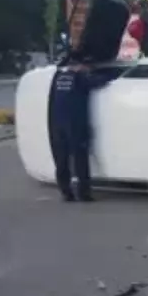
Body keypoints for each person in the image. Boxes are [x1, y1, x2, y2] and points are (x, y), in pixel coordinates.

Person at [48, 49, 115, 202]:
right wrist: (112, 74)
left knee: (62, 159)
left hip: (58, 123)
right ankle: (83, 193)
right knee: (80, 159)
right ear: (81, 65)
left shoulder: (58, 77)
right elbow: (99, 82)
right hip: (76, 124)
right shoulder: (80, 78)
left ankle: (66, 192)